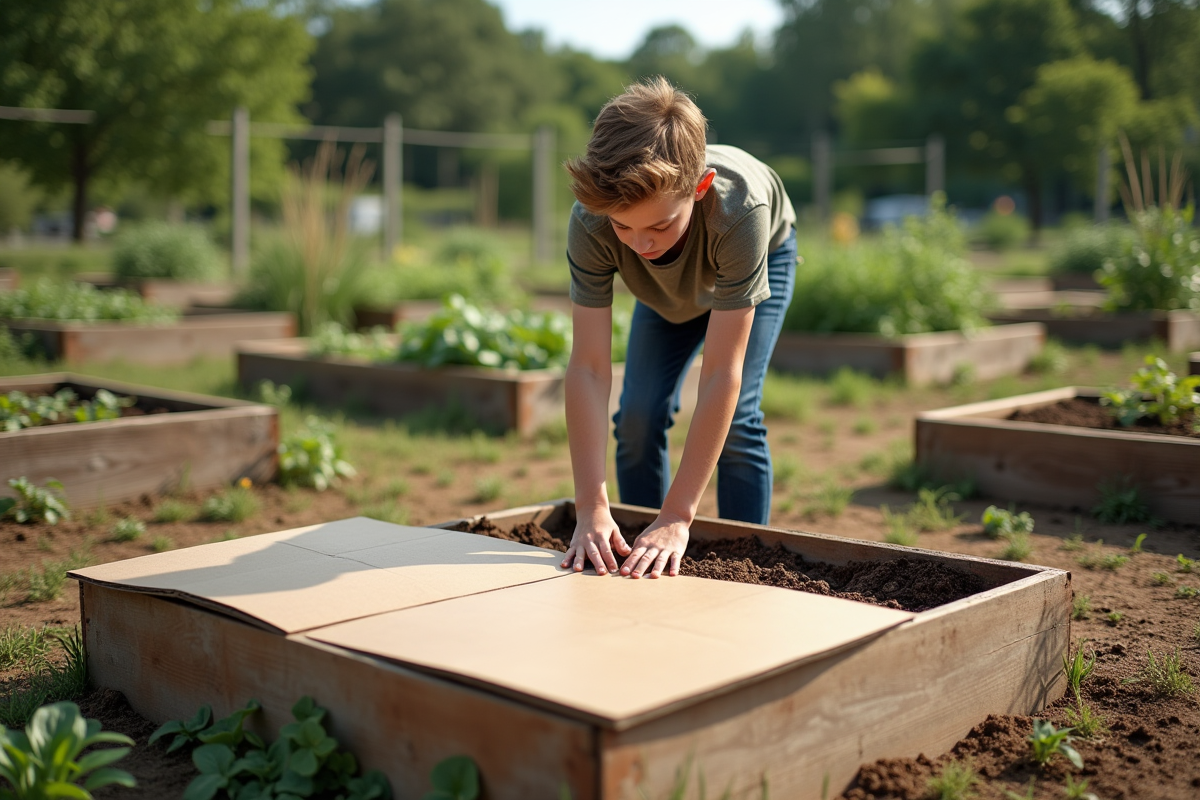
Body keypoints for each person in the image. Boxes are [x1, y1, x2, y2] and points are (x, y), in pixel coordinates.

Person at [560, 76, 797, 580]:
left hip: (755, 258)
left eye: (658, 225)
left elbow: (720, 375)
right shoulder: (592, 222)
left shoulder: (740, 214)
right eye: (624, 228)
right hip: (664, 292)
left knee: (736, 419)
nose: (640, 243)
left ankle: (741, 564)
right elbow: (589, 368)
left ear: (699, 187)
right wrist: (590, 507)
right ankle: (639, 547)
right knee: (639, 418)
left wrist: (679, 514)